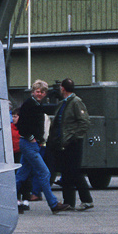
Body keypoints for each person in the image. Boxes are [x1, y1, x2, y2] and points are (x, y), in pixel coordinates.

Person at [15, 81, 63, 213]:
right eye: (37, 91)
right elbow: (22, 126)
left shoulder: (34, 104)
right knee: (44, 172)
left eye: (42, 92)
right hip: (29, 144)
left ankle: (7, 199)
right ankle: (53, 204)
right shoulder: (31, 105)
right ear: (33, 92)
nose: (39, 94)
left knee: (21, 174)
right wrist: (32, 138)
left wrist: (37, 139)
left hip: (29, 144)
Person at [50, 78, 93, 211]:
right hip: (64, 143)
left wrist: (74, 137)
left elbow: (85, 122)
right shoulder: (65, 103)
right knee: (66, 172)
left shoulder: (75, 102)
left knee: (74, 171)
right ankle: (69, 202)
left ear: (62, 88)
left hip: (73, 142)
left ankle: (87, 200)